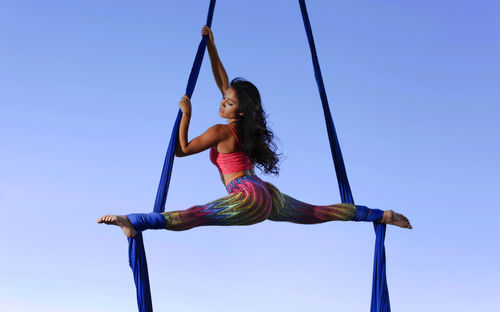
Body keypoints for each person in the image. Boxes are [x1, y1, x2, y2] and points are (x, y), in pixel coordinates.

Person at [97, 26, 412, 238]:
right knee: (318, 212)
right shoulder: (244, 128)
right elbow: (225, 83)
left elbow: (180, 150)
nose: (222, 103)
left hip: (248, 197)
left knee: (196, 215)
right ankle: (381, 215)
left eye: (228, 102)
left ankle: (135, 222)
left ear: (240, 110)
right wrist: (212, 46)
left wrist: (186, 115)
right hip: (267, 194)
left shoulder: (221, 131)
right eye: (224, 99)